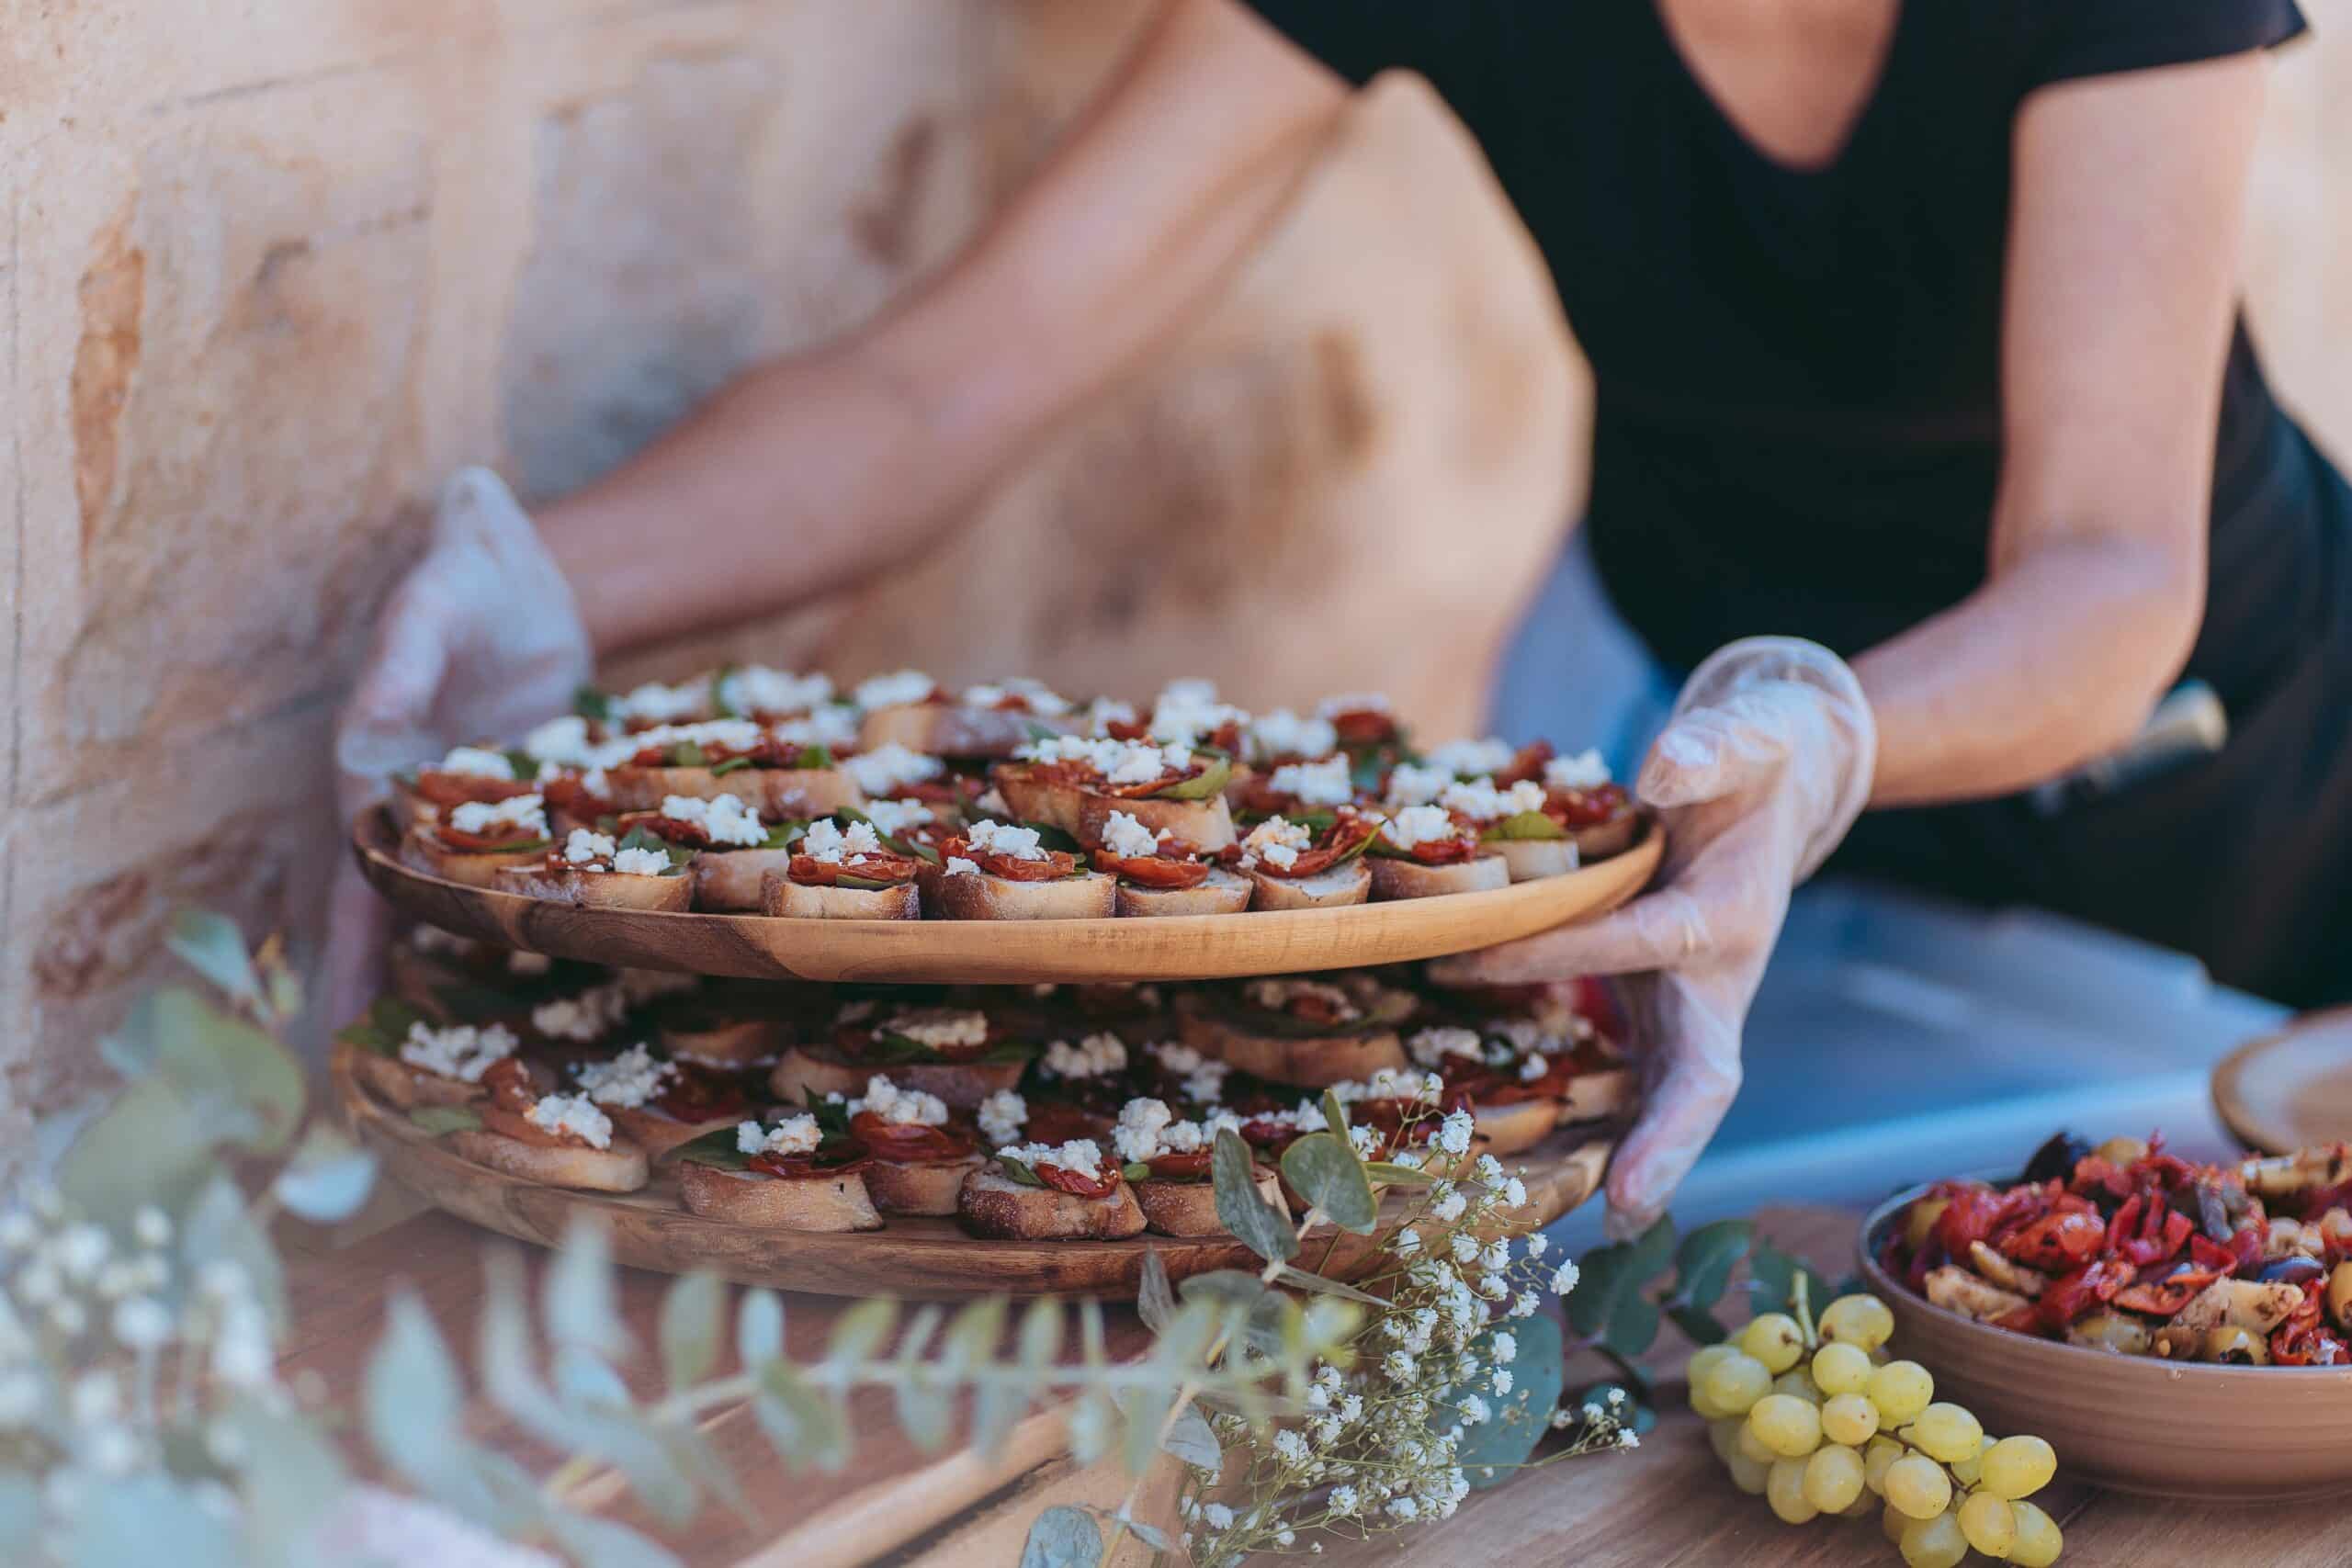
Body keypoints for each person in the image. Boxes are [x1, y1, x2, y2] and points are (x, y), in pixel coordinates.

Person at [332, 0, 2348, 1235]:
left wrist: (1822, 731)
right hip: (1702, 695)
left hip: (2206, 762)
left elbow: (2107, 566)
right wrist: (555, 574)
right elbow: (942, 384)